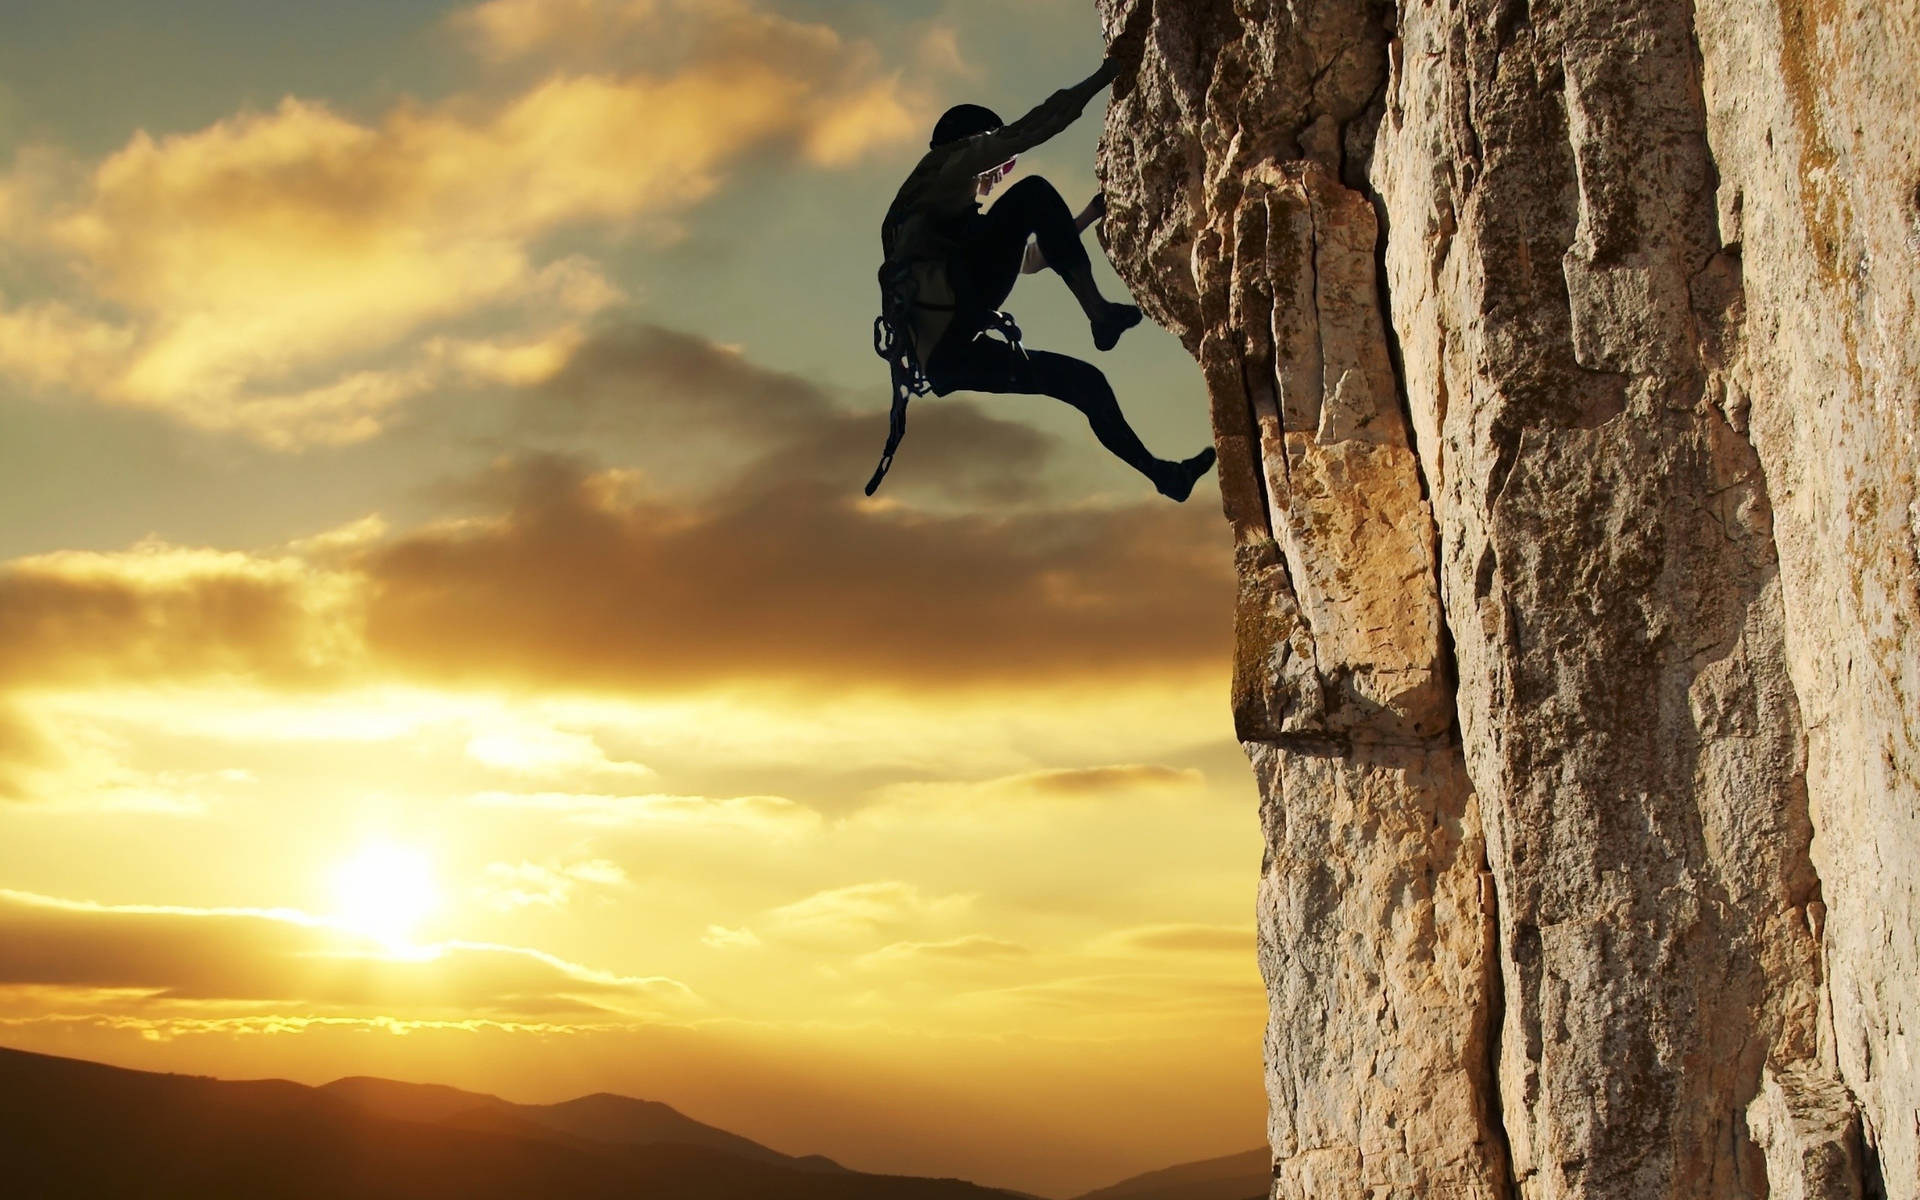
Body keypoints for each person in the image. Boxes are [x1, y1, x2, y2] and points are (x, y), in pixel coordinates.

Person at [866, 56, 1216, 501]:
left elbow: (1027, 261)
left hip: (949, 357)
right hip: (956, 326)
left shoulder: (928, 208)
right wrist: (1105, 76)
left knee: (1084, 382)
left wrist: (1089, 215)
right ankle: (1098, 313)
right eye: (1000, 162)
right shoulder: (949, 167)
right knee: (1032, 194)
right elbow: (1034, 127)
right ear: (978, 145)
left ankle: (1165, 476)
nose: (999, 174)